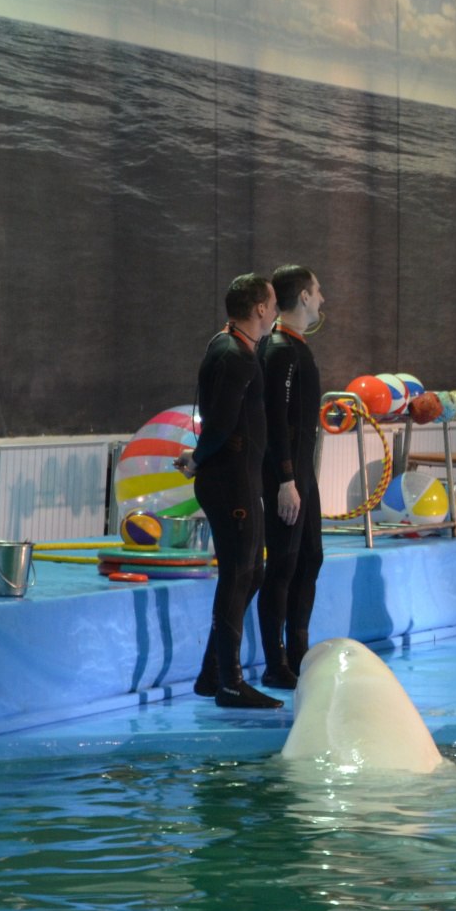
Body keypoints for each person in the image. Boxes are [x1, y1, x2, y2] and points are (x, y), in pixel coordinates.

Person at [175, 273, 283, 709]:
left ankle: (213, 673)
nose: (275, 310)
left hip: (237, 477)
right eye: (272, 304)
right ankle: (229, 682)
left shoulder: (230, 345)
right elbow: (219, 422)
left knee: (250, 573)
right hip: (230, 480)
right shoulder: (235, 354)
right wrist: (199, 458)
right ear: (259, 309)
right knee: (239, 574)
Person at [256, 265, 326, 689]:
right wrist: (285, 479)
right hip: (286, 475)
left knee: (309, 558)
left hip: (303, 474)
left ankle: (299, 652)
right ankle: (274, 661)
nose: (322, 299)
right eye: (317, 291)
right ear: (302, 296)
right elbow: (275, 420)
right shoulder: (280, 348)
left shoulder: (298, 346)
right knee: (282, 564)